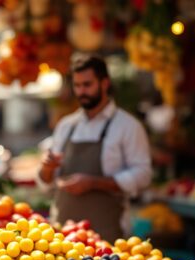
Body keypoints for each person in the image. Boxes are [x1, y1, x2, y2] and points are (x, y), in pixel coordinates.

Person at [38, 55, 152, 241]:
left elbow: (143, 175)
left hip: (107, 238)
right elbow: (46, 182)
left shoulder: (128, 126)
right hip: (61, 238)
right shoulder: (66, 126)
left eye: (87, 84)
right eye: (77, 85)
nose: (81, 91)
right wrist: (47, 168)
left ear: (105, 83)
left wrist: (94, 183)